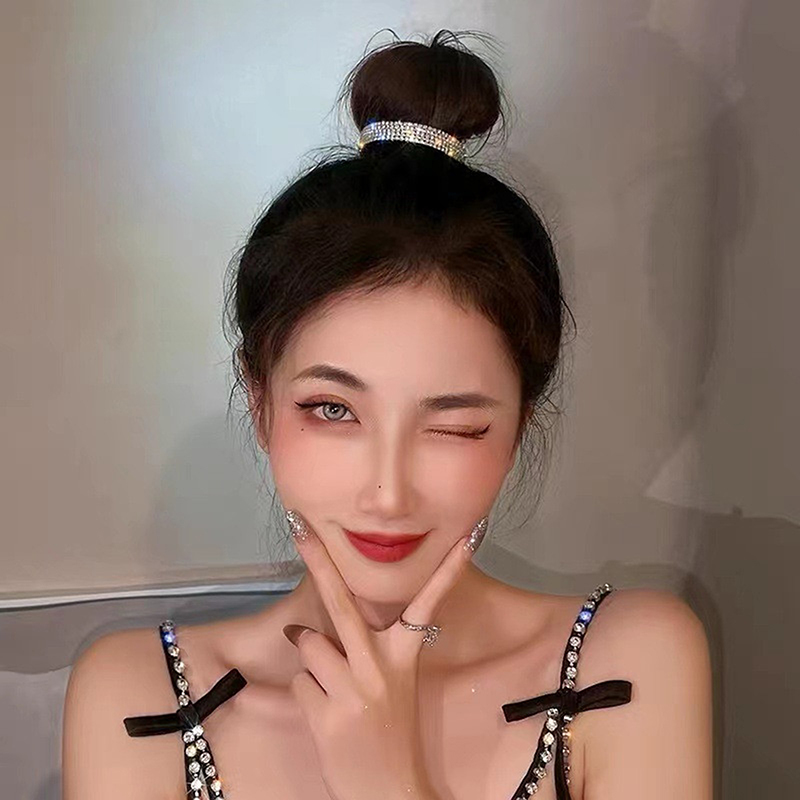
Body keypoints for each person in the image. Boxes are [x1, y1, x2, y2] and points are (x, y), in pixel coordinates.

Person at [62, 29, 713, 800]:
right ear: (260, 401)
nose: (389, 492)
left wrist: (389, 780)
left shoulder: (631, 661)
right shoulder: (139, 694)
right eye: (333, 409)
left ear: (520, 425)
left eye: (455, 425)